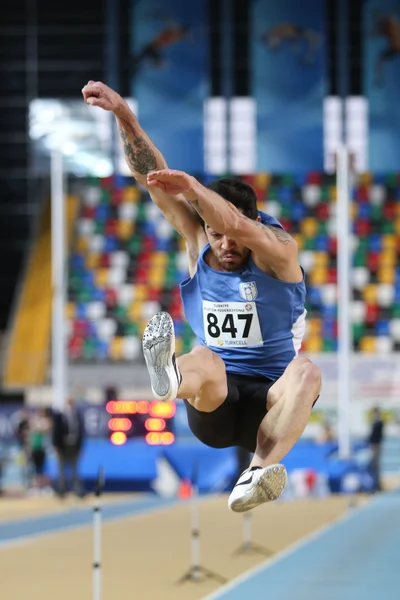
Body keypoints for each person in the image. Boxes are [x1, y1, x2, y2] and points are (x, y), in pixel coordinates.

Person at [82, 81, 322, 513]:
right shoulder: (198, 240)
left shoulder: (278, 250)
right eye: (215, 236)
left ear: (252, 226)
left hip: (269, 409)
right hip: (213, 399)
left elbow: (233, 222)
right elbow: (149, 178)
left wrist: (193, 188)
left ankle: (253, 476)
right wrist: (124, 115)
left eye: (233, 237)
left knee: (307, 372)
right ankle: (169, 380)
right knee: (205, 356)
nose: (225, 245)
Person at [52, 398, 85, 498]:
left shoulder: (77, 416)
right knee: (61, 470)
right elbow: (56, 432)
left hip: (74, 446)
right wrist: (56, 446)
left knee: (75, 470)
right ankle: (62, 491)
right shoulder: (60, 416)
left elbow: (81, 433)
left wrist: (80, 447)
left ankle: (77, 490)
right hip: (63, 446)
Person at [368, 407, 385, 492]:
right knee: (373, 466)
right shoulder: (375, 423)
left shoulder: (379, 423)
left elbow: (377, 436)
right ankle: (375, 484)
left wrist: (374, 444)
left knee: (375, 466)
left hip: (376, 446)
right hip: (374, 445)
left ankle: (377, 485)